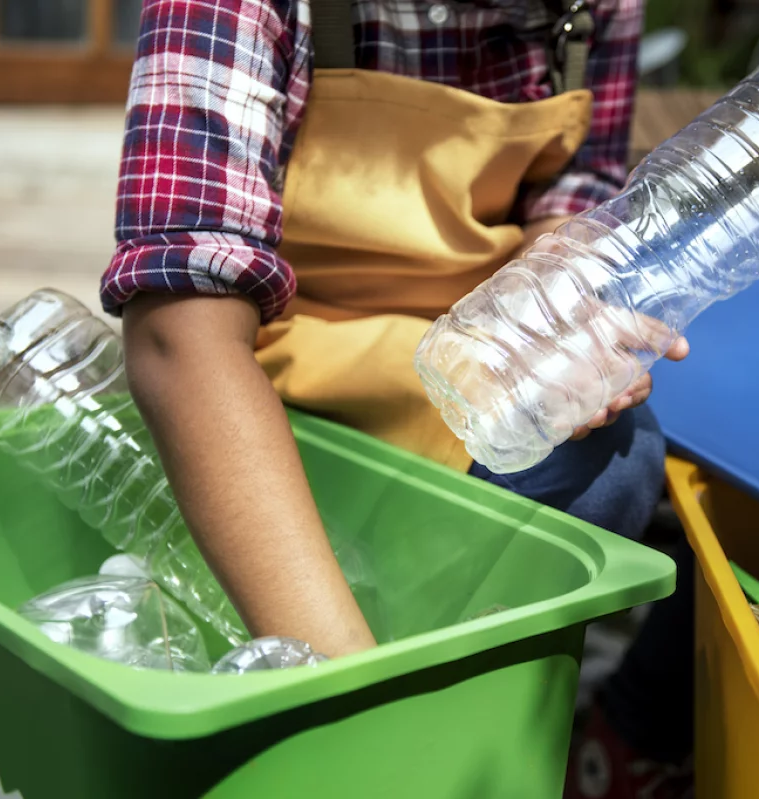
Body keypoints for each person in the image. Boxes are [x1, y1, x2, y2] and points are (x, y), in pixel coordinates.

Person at [102, 0, 692, 795]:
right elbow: (181, 334)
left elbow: (574, 189)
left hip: (458, 359)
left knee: (617, 459)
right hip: (273, 373)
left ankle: (464, 725)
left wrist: (561, 300)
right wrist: (353, 699)